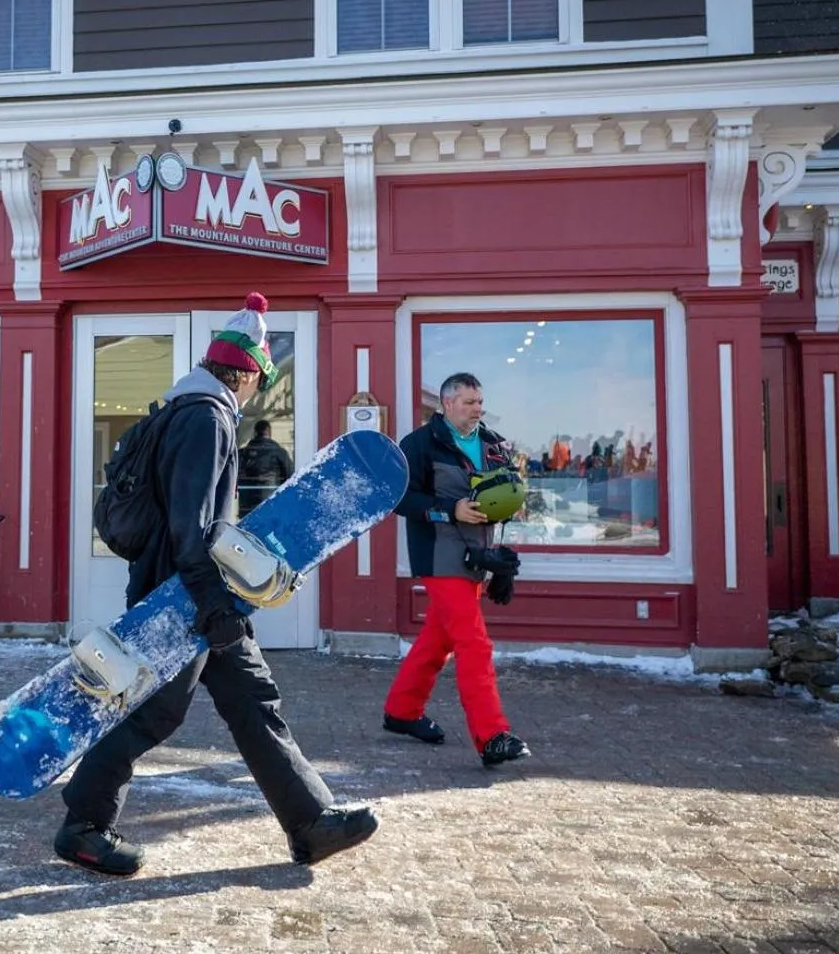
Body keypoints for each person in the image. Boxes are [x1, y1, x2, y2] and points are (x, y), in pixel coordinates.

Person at [56, 292, 377, 877]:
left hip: (198, 592)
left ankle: (310, 822)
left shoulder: (194, 408)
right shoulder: (204, 418)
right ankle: (83, 825)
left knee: (254, 700)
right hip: (176, 597)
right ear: (249, 373)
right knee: (153, 711)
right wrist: (209, 603)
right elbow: (191, 526)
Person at [381, 371, 531, 768]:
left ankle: (401, 710)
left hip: (478, 555)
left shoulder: (492, 444)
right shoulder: (419, 444)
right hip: (439, 555)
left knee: (439, 639)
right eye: (469, 402)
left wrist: (502, 564)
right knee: (473, 642)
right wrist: (449, 509)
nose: (477, 409)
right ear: (447, 404)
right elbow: (398, 498)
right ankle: (492, 736)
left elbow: (505, 495)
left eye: (480, 402)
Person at [236, 418, 293, 517]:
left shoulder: (243, 453)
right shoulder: (279, 452)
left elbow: (234, 474)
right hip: (269, 501)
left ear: (255, 433)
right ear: (269, 433)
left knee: (246, 531)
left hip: (246, 504)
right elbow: (290, 476)